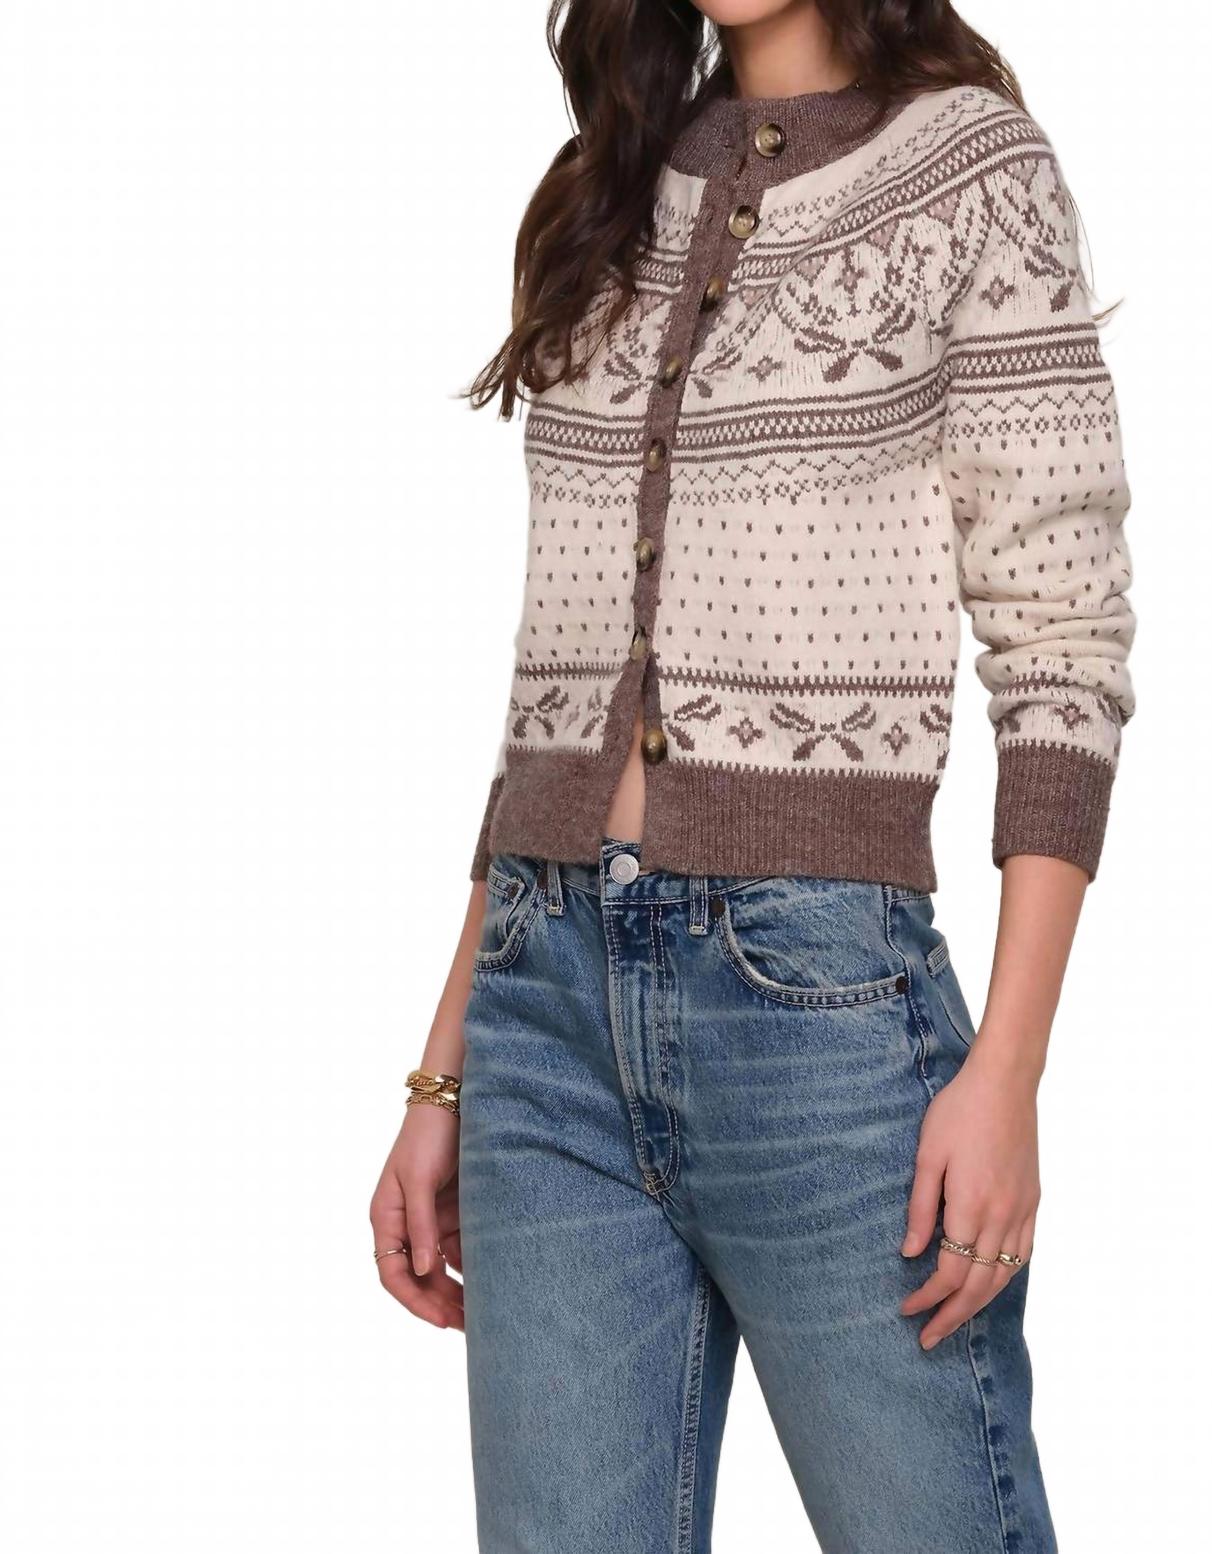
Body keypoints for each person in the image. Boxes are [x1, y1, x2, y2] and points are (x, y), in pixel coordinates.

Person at [370, 2, 1135, 1548]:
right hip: (544, 1019)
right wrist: (447, 1066)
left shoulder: (974, 172)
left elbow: (1062, 637)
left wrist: (1011, 1072)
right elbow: (556, 693)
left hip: (819, 1012)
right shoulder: (604, 191)